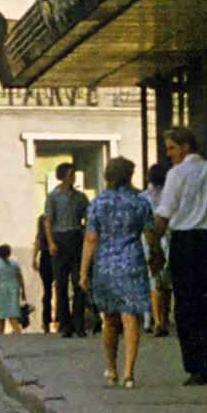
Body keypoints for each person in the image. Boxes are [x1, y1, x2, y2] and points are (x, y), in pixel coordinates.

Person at [150, 127, 207, 387]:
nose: (168, 154)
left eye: (171, 147)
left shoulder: (176, 174)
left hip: (185, 244)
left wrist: (154, 243)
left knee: (186, 306)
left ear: (185, 146)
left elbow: (164, 213)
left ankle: (193, 365)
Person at [81, 157, 151, 387]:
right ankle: (129, 371)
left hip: (105, 265)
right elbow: (150, 234)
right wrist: (157, 257)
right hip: (132, 263)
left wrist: (84, 271)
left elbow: (91, 238)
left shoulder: (98, 203)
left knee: (109, 318)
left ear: (107, 176)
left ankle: (111, 369)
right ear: (130, 175)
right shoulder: (139, 202)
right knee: (130, 317)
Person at [43, 163, 91, 338]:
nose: (74, 177)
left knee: (79, 282)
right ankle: (65, 324)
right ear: (63, 176)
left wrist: (87, 237)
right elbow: (48, 220)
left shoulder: (80, 197)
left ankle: (79, 323)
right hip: (60, 238)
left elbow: (87, 218)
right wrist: (50, 242)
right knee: (61, 284)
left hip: (76, 237)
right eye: (71, 174)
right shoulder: (53, 197)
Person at [144, 161, 171, 338]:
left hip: (147, 240)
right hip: (168, 239)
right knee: (165, 282)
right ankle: (165, 318)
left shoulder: (143, 197)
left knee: (153, 281)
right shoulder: (169, 196)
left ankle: (156, 320)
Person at [0, 244, 28, 335]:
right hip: (14, 287)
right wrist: (23, 291)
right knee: (13, 308)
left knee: (2, 308)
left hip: (1, 289)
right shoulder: (14, 264)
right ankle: (16, 327)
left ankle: (1, 328)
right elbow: (20, 278)